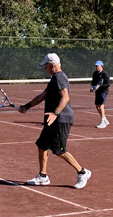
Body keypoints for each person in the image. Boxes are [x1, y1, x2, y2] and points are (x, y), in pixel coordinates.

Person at [18, 53, 91, 189]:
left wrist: (55, 113)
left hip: (62, 119)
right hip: (52, 119)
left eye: (45, 65)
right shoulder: (54, 79)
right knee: (42, 145)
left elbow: (65, 97)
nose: (44, 67)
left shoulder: (59, 78)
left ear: (52, 65)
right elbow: (42, 96)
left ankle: (82, 172)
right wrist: (26, 106)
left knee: (59, 150)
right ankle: (43, 176)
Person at [90, 60, 110, 128]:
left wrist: (100, 86)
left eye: (97, 65)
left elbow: (107, 84)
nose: (96, 67)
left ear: (101, 66)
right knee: (97, 106)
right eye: (96, 66)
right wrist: (92, 87)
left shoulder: (105, 74)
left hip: (103, 91)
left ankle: (102, 122)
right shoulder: (95, 73)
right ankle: (104, 119)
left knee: (101, 105)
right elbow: (93, 82)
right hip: (97, 92)